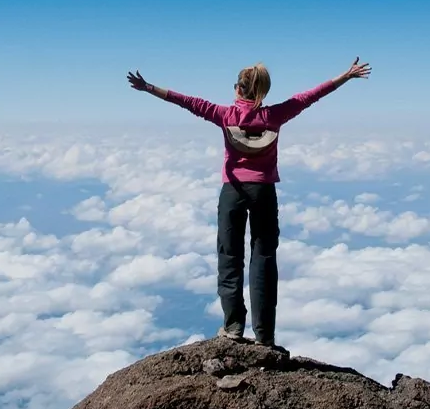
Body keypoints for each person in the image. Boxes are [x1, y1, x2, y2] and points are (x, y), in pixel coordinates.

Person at [127, 57, 372, 347]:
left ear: (239, 90)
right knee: (264, 259)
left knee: (229, 258)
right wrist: (345, 76)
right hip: (264, 192)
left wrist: (148, 87)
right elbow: (310, 97)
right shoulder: (275, 116)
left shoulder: (224, 114)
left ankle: (233, 327)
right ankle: (264, 336)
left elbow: (186, 101)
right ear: (260, 93)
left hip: (232, 191)